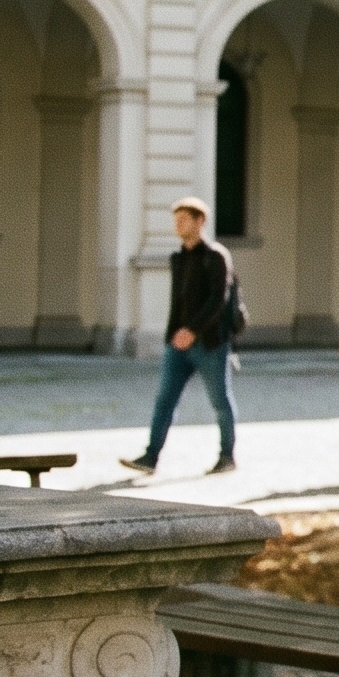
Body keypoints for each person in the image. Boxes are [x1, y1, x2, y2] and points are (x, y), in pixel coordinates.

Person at [124, 196, 241, 476]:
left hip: (210, 343)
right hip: (178, 344)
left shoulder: (216, 256)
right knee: (164, 400)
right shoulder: (178, 258)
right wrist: (173, 336)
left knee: (220, 401)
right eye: (176, 220)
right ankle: (150, 456)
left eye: (184, 219)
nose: (178, 225)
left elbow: (218, 300)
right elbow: (177, 304)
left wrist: (193, 330)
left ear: (200, 221)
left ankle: (227, 456)